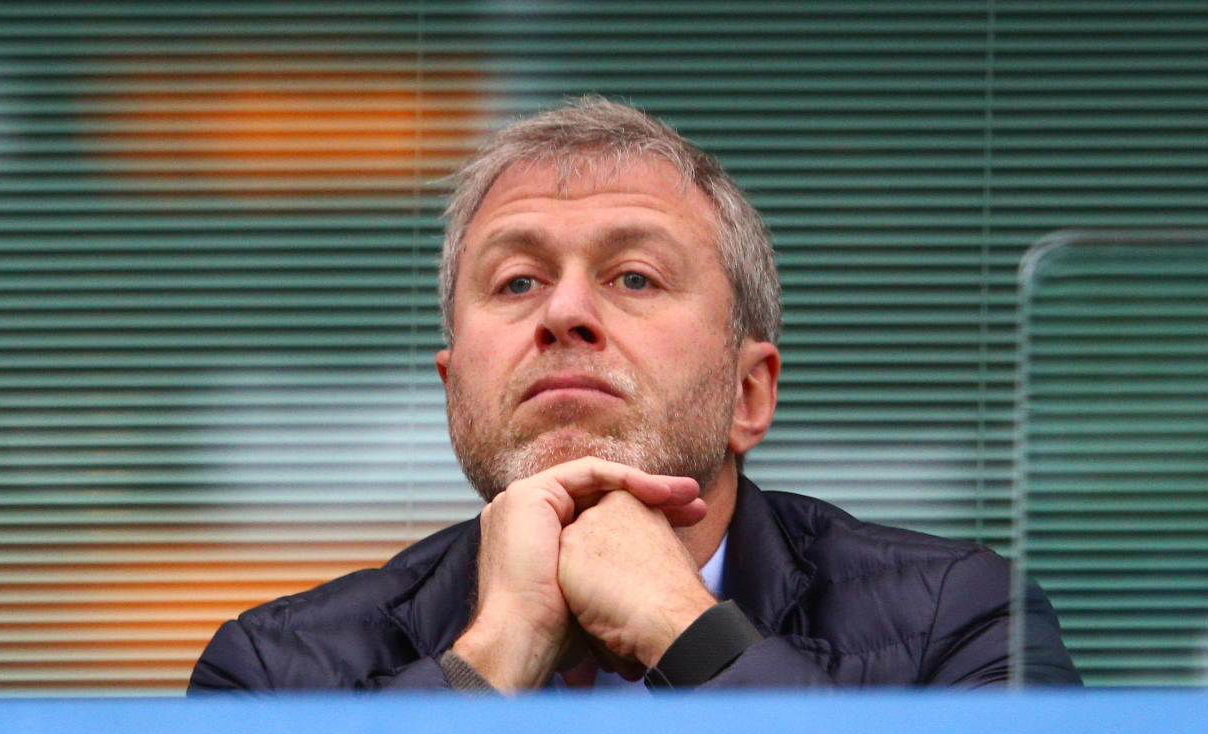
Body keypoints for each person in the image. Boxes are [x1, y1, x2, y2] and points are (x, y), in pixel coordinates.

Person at [189, 97, 1080, 693]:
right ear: (455, 389)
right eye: (515, 283)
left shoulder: (959, 622)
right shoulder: (274, 673)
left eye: (636, 278)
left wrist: (686, 631)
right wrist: (492, 659)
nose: (565, 313)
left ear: (748, 392)